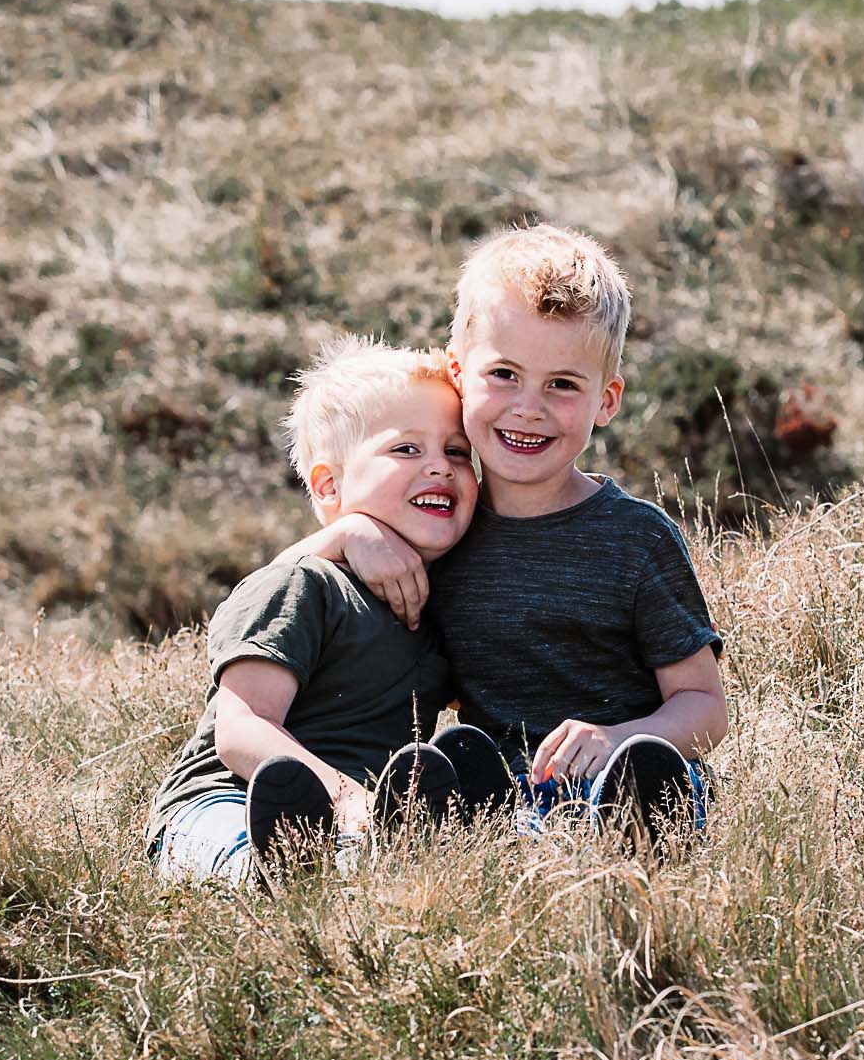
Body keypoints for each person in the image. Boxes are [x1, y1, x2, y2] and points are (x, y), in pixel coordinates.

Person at [282, 224, 727, 841]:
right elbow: (277, 584)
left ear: (608, 400)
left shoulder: (636, 539)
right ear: (459, 374)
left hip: (619, 770)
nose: (528, 407)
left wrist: (619, 738)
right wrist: (351, 532)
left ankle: (628, 829)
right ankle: (506, 840)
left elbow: (705, 706)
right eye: (505, 375)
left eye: (563, 385)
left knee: (633, 794)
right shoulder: (441, 526)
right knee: (455, 799)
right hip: (487, 785)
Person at [145, 339, 512, 889]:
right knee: (227, 844)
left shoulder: (442, 606)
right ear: (330, 486)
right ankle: (267, 872)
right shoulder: (303, 583)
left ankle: (430, 838)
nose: (439, 466)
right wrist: (342, 798)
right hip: (226, 796)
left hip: (363, 814)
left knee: (371, 850)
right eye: (406, 449)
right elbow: (241, 730)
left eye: (458, 452)